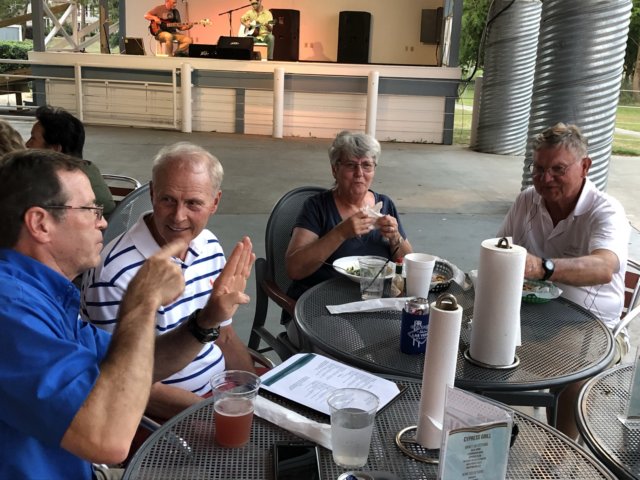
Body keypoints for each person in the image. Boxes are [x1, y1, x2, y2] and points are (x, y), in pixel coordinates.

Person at [0, 149, 254, 479]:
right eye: (91, 209)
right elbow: (108, 441)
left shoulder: (45, 296)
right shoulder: (11, 311)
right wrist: (142, 302)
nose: (103, 221)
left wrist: (206, 321)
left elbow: (132, 363)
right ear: (40, 223)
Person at [82, 142, 255, 421]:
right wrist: (221, 416)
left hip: (219, 394)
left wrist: (256, 396)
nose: (178, 216)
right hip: (167, 418)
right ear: (152, 193)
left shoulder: (209, 244)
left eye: (193, 203)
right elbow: (125, 382)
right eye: (168, 200)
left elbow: (224, 335)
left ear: (215, 202)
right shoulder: (113, 272)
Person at [497, 122, 630, 438]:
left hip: (592, 327)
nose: (546, 179)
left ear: (585, 167)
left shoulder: (605, 210)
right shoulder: (527, 200)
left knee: (573, 377)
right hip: (531, 315)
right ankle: (486, 434)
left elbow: (604, 267)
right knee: (475, 348)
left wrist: (542, 267)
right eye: (539, 169)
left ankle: (558, 458)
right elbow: (501, 248)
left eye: (558, 169)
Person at [284, 131, 413, 342]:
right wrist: (341, 232)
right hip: (320, 308)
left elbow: (407, 264)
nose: (359, 173)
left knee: (412, 334)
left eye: (367, 165)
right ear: (335, 169)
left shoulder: (385, 204)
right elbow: (294, 268)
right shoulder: (317, 207)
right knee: (352, 347)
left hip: (373, 307)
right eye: (351, 165)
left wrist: (395, 237)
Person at [26, 105, 116, 218]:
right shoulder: (88, 167)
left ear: (54, 149)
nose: (27, 144)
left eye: (33, 138)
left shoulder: (59, 184)